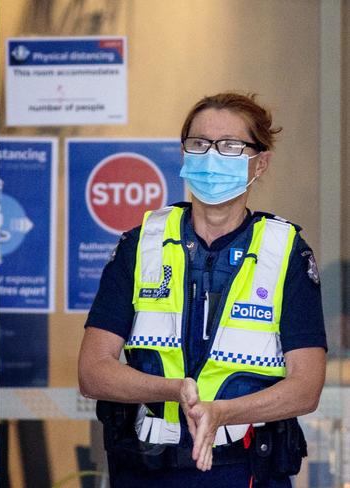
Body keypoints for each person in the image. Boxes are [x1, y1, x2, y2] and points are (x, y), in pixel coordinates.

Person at [78, 92, 327, 487]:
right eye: (200, 144)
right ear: (184, 155)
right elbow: (93, 372)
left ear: (259, 163)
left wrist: (224, 412)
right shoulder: (140, 245)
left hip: (245, 467)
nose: (212, 157)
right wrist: (174, 390)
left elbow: (306, 387)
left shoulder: (285, 253)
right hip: (147, 468)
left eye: (230, 146)